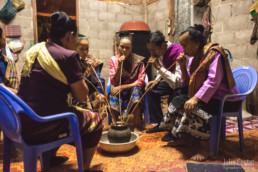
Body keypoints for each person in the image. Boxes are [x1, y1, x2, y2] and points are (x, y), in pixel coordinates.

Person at [18, 11, 103, 171]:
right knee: (95, 121)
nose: (76, 43)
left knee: (54, 104)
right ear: (70, 35)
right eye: (76, 38)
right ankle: (84, 168)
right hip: (44, 126)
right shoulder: (67, 56)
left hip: (21, 122)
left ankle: (49, 157)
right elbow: (82, 96)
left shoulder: (37, 50)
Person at [159, 24, 242, 161]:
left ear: (197, 43)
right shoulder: (193, 57)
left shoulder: (214, 54)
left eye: (185, 45)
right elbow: (188, 83)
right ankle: (186, 138)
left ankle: (206, 148)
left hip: (225, 99)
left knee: (196, 108)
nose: (183, 50)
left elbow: (213, 82)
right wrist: (182, 67)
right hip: (208, 96)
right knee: (178, 100)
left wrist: (195, 99)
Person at [145, 31, 184, 139]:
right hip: (169, 81)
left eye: (153, 49)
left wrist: (158, 67)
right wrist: (156, 80)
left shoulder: (178, 52)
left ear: (163, 45)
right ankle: (160, 124)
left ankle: (174, 129)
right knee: (151, 90)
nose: (151, 53)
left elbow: (178, 82)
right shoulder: (160, 51)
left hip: (180, 84)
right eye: (149, 50)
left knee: (176, 96)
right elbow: (163, 68)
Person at [109, 32, 146, 135]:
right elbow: (114, 81)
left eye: (127, 48)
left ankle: (136, 126)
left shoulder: (138, 61)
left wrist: (123, 87)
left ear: (131, 48)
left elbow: (140, 81)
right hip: (118, 89)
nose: (124, 50)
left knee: (137, 92)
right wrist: (119, 66)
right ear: (118, 46)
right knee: (113, 94)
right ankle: (116, 126)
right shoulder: (114, 60)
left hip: (132, 89)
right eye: (122, 47)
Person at [76, 34, 108, 123]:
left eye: (87, 49)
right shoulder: (71, 61)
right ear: (75, 48)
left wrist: (92, 69)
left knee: (101, 98)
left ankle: (102, 128)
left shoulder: (92, 60)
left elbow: (96, 81)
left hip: (89, 93)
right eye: (81, 49)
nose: (85, 52)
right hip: (76, 96)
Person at [0, 27, 20, 94]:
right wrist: (19, 94)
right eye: (4, 35)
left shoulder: (3, 58)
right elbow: (1, 88)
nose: (5, 38)